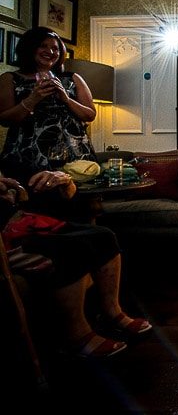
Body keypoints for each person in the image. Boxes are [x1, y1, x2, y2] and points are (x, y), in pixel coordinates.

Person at [0, 172, 152, 358]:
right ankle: (77, 337)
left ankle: (112, 313)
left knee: (103, 236)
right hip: (5, 237)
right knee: (70, 250)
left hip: (21, 220)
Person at [0, 27, 97, 180]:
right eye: (43, 46)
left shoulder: (73, 78)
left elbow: (90, 114)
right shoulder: (9, 79)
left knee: (82, 200)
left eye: (55, 48)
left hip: (74, 155)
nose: (50, 52)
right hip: (27, 155)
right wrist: (32, 99)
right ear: (30, 47)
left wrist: (66, 99)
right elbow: (4, 119)